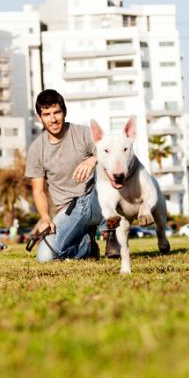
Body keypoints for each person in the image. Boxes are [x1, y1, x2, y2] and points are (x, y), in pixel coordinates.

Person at [24, 89, 118, 262]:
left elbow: (113, 154)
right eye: (47, 114)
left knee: (107, 166)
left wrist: (93, 159)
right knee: (45, 257)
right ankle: (87, 245)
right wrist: (45, 217)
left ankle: (112, 232)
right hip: (69, 210)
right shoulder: (36, 149)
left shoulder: (83, 133)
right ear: (40, 118)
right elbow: (38, 191)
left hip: (95, 199)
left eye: (57, 112)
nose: (53, 119)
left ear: (64, 112)